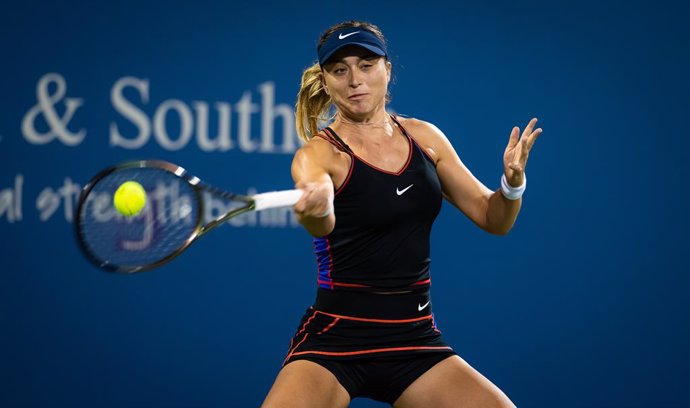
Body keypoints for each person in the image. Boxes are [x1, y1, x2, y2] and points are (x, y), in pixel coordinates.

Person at [262, 20, 541, 408]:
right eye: (340, 70)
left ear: (386, 70)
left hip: (414, 337)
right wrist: (317, 207)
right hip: (336, 338)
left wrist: (512, 184)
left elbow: (494, 218)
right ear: (325, 81)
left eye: (366, 65)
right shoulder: (318, 154)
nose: (354, 80)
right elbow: (320, 219)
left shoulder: (425, 139)